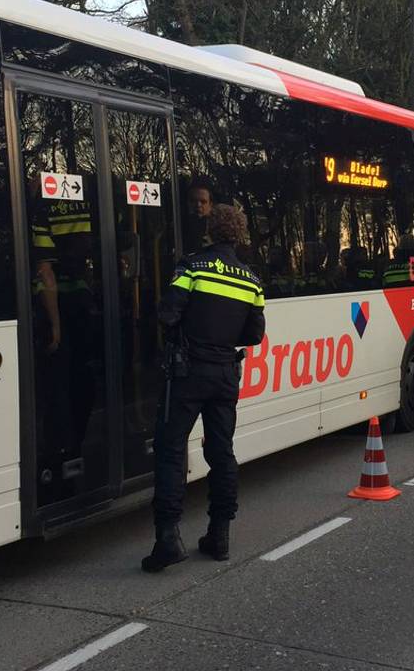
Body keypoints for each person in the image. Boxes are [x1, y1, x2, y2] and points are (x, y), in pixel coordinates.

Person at [144, 204, 266, 572]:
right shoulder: (251, 281)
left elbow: (167, 312)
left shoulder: (192, 267)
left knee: (170, 451)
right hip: (226, 374)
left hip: (187, 374)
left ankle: (167, 539)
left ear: (210, 230)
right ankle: (220, 536)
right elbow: (254, 335)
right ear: (240, 234)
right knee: (221, 452)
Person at [181, 179, 214, 253]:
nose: (198, 205)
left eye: (203, 202)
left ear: (210, 205)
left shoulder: (217, 230)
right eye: (193, 201)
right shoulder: (178, 228)